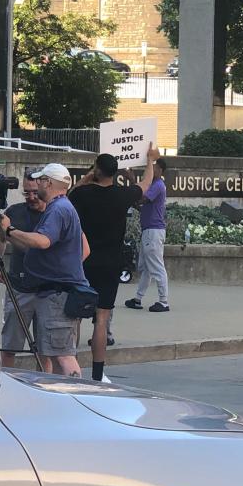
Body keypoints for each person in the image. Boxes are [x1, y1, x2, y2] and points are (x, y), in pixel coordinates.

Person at [70, 150, 155, 381]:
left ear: (97, 169)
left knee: (75, 317)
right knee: (102, 318)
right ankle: (98, 373)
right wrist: (150, 160)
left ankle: (71, 367)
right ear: (115, 173)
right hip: (111, 263)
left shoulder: (83, 194)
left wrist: (88, 176)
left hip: (84, 260)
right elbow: (146, 184)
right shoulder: (121, 195)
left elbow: (69, 194)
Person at [0, 163, 90, 377]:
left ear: (48, 182)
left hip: (57, 293)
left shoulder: (58, 209)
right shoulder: (61, 207)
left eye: (40, 181)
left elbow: (42, 242)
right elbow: (38, 249)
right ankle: (61, 396)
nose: (37, 185)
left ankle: (75, 398)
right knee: (56, 351)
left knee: (63, 354)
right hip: (54, 291)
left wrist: (9, 230)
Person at [0, 170, 45, 368]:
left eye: (35, 192)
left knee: (45, 350)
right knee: (9, 346)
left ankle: (44, 389)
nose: (31, 197)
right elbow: (2, 241)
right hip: (18, 286)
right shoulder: (14, 212)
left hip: (45, 289)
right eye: (27, 193)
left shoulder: (54, 212)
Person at [124, 159, 170, 312]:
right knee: (146, 269)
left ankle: (163, 302)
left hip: (153, 232)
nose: (151, 169)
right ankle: (138, 299)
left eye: (154, 167)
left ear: (160, 170)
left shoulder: (157, 185)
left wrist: (132, 181)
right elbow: (141, 206)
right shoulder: (154, 186)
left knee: (156, 267)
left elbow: (141, 199)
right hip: (149, 231)